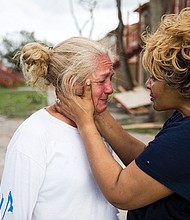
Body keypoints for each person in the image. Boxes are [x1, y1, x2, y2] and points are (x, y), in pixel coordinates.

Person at [55, 7, 190, 219]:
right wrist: (98, 114)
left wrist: (85, 123)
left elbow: (120, 192)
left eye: (154, 78)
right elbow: (151, 163)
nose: (147, 84)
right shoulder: (183, 116)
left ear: (181, 82)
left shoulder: (186, 137)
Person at [0, 37, 120, 220]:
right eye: (102, 80)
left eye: (110, 78)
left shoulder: (97, 128)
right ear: (72, 82)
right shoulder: (34, 135)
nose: (110, 89)